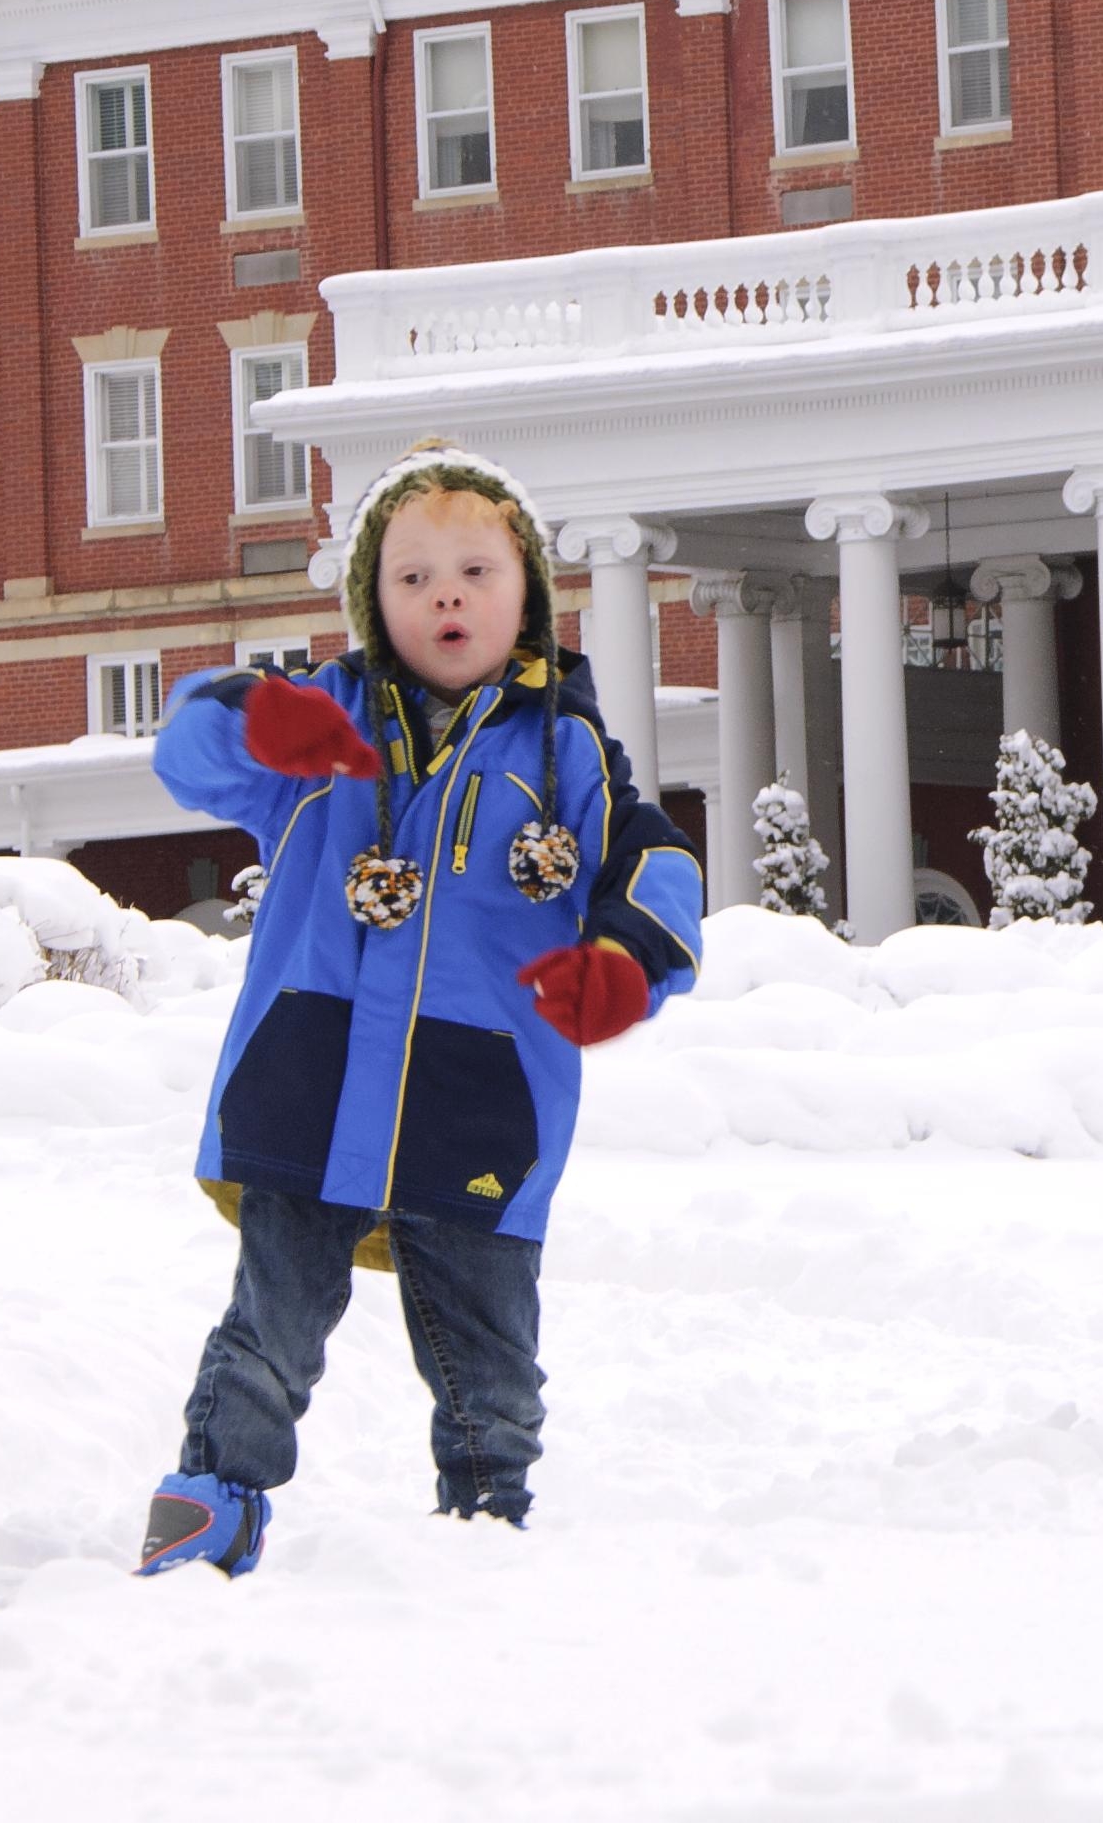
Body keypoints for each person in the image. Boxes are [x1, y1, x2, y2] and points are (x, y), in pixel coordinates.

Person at [134, 442, 705, 1573]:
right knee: (270, 1323)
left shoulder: (569, 751)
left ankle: (488, 1527)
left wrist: (627, 961)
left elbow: (656, 873)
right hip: (311, 1076)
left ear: (527, 596)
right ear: (371, 603)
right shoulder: (322, 728)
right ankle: (212, 1498)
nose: (445, 593)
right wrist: (252, 721)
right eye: (411, 577)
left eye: (474, 572)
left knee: (489, 1346)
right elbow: (187, 748)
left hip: (478, 1091)